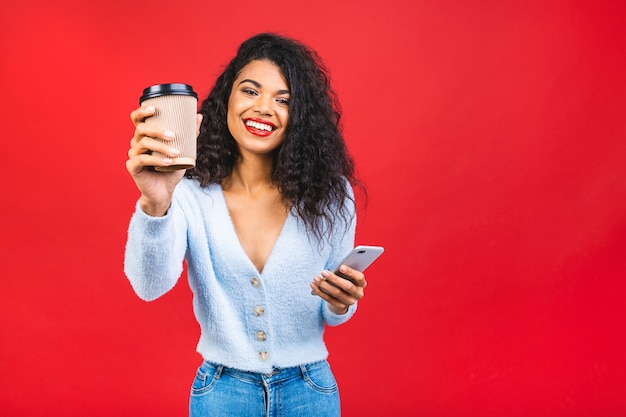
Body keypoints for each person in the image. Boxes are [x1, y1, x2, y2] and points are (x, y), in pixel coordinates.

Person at [124, 33, 367, 417]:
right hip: (222, 392)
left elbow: (333, 311)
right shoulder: (188, 192)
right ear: (227, 99)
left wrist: (341, 303)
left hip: (311, 391)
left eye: (283, 100)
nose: (264, 108)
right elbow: (149, 286)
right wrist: (156, 201)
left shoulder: (331, 195)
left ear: (300, 117)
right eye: (250, 91)